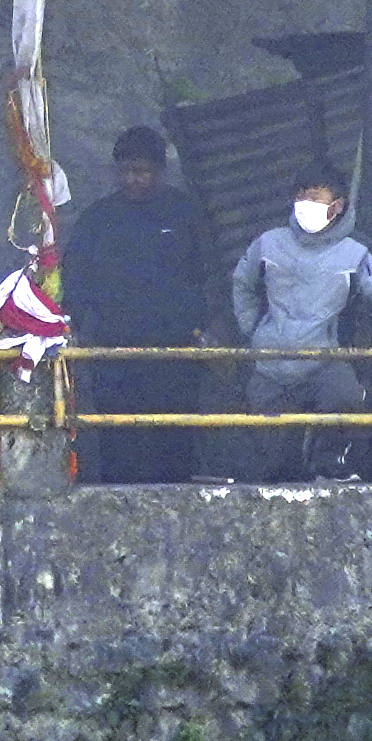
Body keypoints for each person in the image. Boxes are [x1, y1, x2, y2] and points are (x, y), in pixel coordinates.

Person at [228, 169, 372, 480]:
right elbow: (242, 282)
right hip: (270, 362)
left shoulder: (358, 250)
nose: (306, 203)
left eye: (315, 197)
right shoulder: (268, 243)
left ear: (337, 206)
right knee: (276, 464)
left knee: (345, 397)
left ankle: (330, 463)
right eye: (302, 197)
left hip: (326, 359)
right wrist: (253, 327)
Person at [61, 126, 221, 485]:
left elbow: (208, 274)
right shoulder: (97, 220)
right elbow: (77, 280)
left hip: (176, 349)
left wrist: (207, 327)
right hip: (114, 350)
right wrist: (73, 328)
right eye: (127, 171)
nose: (134, 179)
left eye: (143, 171)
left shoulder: (185, 214)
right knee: (119, 437)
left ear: (160, 172)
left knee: (176, 435)